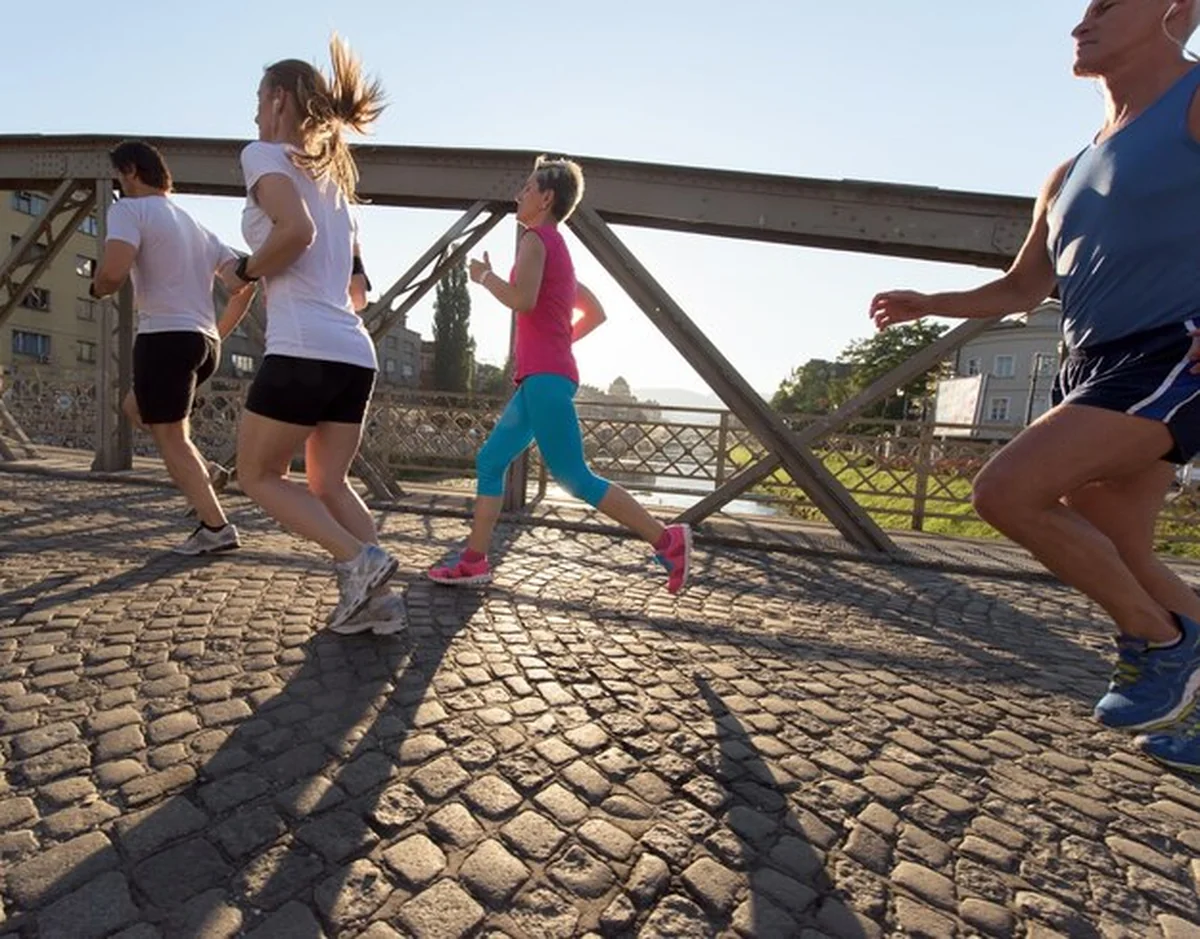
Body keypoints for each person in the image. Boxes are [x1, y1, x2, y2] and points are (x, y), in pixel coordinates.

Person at [870, 0, 1200, 771]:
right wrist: (931, 303)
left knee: (1005, 491)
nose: (1081, 22)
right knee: (1121, 546)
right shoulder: (1067, 170)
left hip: (1173, 352)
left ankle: (1160, 642)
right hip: (1089, 364)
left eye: (1109, 4)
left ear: (1175, 10)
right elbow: (1023, 287)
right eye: (1081, 9)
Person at [427, 156, 693, 594]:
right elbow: (596, 312)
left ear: (546, 198)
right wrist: (559, 342)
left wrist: (485, 276)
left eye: (527, 188)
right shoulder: (559, 248)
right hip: (543, 376)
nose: (519, 194)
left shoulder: (535, 240)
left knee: (574, 477)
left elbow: (522, 299)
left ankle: (668, 540)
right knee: (491, 460)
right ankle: (473, 561)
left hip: (544, 378)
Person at [217, 37, 402, 634]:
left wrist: (243, 271)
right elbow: (358, 292)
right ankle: (379, 605)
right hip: (353, 353)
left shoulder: (263, 156)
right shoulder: (338, 188)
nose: (252, 113)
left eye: (256, 98)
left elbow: (294, 233)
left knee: (256, 476)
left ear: (278, 99)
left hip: (302, 349)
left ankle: (359, 559)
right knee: (328, 482)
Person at [91, 140, 253, 556]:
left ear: (129, 172)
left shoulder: (129, 210)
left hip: (164, 339)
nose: (118, 186)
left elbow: (112, 272)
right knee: (135, 408)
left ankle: (214, 528)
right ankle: (205, 473)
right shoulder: (194, 225)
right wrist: (219, 331)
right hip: (203, 344)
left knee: (169, 437)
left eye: (117, 178)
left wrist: (97, 287)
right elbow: (241, 283)